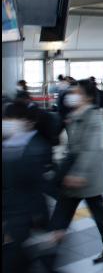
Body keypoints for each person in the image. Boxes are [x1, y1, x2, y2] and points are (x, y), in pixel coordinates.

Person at [50, 79, 103, 264]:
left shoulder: (93, 117)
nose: (72, 96)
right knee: (63, 210)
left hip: (87, 176)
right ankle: (51, 249)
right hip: (74, 173)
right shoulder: (74, 114)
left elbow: (90, 148)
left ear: (87, 97)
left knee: (99, 212)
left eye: (77, 93)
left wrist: (79, 174)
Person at [3, 101, 54, 272]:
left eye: (12, 119)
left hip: (21, 217)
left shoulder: (36, 148)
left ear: (25, 122)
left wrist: (42, 220)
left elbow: (39, 187)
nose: (7, 123)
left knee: (15, 260)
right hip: (12, 216)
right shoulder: (8, 146)